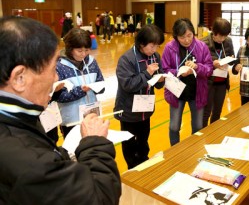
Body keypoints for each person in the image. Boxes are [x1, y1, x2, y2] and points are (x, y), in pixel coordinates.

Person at [0, 16, 121, 204]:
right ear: (19, 78)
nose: (56, 76)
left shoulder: (19, 119)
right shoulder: (29, 161)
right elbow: (99, 198)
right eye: (53, 68)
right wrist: (94, 143)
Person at [114, 24, 165, 169]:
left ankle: (144, 167)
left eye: (157, 46)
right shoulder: (127, 59)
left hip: (146, 110)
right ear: (141, 43)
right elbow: (128, 85)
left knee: (143, 142)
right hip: (128, 111)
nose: (154, 50)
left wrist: (161, 80)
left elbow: (157, 82)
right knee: (130, 145)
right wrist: (147, 73)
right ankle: (133, 171)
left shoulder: (155, 56)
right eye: (152, 46)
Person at [161, 18, 213, 146]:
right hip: (176, 92)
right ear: (176, 36)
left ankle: (194, 151)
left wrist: (197, 67)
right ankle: (174, 152)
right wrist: (178, 72)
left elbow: (209, 69)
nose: (187, 40)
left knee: (197, 126)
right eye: (182, 37)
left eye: (189, 35)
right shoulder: (169, 48)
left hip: (197, 92)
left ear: (193, 33)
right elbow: (164, 69)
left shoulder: (201, 47)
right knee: (174, 126)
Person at [55, 28, 105, 138]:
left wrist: (99, 88)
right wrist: (81, 90)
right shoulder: (59, 66)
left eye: (87, 50)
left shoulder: (92, 62)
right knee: (74, 152)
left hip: (92, 116)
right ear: (70, 48)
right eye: (79, 51)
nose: (84, 54)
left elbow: (100, 81)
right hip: (72, 120)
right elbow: (58, 96)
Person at [201, 17, 235, 127]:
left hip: (222, 82)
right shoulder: (203, 43)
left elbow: (232, 59)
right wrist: (212, 64)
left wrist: (231, 59)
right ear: (213, 31)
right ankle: (202, 136)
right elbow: (199, 64)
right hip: (208, 82)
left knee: (217, 112)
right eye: (220, 36)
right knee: (206, 113)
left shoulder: (228, 41)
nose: (223, 38)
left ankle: (213, 135)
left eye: (225, 36)